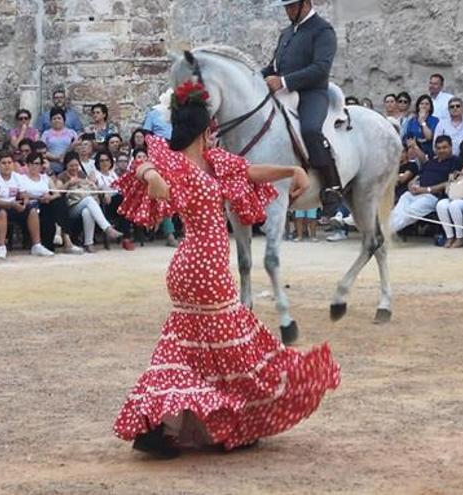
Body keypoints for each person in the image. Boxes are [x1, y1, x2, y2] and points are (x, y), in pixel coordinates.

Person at [112, 80, 337, 458]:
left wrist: (291, 170)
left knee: (191, 349)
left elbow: (250, 171)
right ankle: (227, 422)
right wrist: (151, 177)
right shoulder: (178, 162)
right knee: (228, 347)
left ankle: (169, 426)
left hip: (195, 266)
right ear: (205, 128)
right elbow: (145, 165)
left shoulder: (213, 161)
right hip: (203, 267)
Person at [262, 0, 341, 205]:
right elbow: (274, 66)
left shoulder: (323, 30)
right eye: (286, 7)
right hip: (283, 92)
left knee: (310, 129)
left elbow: (321, 68)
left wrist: (283, 81)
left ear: (306, 3)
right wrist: (252, 78)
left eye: (292, 6)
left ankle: (332, 186)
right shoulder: (287, 32)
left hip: (311, 93)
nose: (288, 11)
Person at [0, 151, 55, 258]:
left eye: (9, 162)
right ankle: (1, 246)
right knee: (2, 213)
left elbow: (24, 195)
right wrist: (11, 204)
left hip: (14, 205)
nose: (7, 165)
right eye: (3, 163)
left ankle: (37, 245)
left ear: (13, 164)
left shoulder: (17, 176)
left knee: (32, 211)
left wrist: (24, 204)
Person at [389, 136, 461, 234]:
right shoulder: (431, 162)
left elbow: (448, 183)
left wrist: (425, 190)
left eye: (444, 147)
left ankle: (384, 234)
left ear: (451, 147)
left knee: (410, 212)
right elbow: (418, 176)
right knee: (398, 209)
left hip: (432, 196)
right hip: (416, 193)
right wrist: (411, 184)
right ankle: (382, 231)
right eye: (438, 148)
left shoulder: (456, 162)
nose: (441, 150)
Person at [59, 151, 122, 252]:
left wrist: (92, 185)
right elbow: (58, 192)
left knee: (87, 211)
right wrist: (69, 183)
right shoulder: (61, 176)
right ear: (66, 165)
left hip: (83, 204)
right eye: (71, 165)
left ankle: (89, 243)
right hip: (70, 207)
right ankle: (107, 228)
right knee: (89, 200)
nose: (74, 168)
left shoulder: (81, 174)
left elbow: (92, 186)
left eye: (76, 165)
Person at [40, 108, 78, 174]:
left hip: (69, 168)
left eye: (59, 118)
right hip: (50, 167)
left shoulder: (72, 133)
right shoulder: (46, 134)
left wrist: (64, 158)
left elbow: (76, 149)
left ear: (64, 120)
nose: (57, 120)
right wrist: (56, 158)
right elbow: (42, 151)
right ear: (50, 121)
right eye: (54, 119)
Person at [401, 94, 439, 158]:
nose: (424, 106)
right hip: (414, 152)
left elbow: (429, 137)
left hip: (429, 152)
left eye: (427, 104)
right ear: (418, 106)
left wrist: (422, 122)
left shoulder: (435, 120)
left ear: (430, 107)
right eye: (422, 104)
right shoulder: (412, 121)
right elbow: (407, 136)